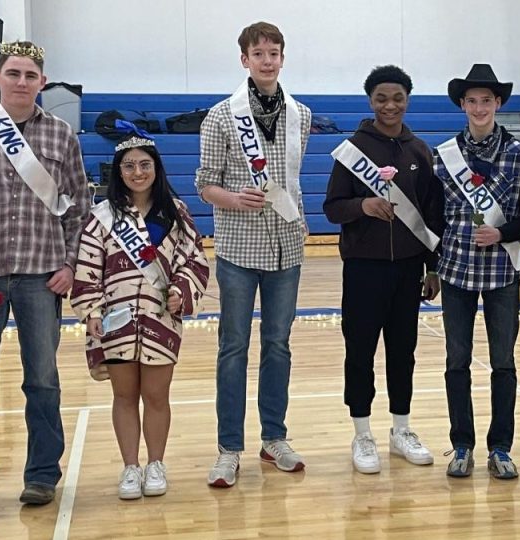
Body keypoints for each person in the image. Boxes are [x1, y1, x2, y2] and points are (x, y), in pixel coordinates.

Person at [0, 40, 90, 515]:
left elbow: (78, 207)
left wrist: (70, 263)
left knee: (43, 379)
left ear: (41, 81)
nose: (21, 82)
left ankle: (41, 475)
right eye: (13, 73)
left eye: (30, 75)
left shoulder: (60, 136)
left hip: (41, 277)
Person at [196, 21, 312, 486]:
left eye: (274, 52)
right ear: (244, 59)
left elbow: (294, 180)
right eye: (258, 53)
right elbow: (204, 184)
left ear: (283, 58)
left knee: (279, 346)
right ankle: (229, 448)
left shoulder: (301, 114)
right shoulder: (222, 116)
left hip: (288, 249)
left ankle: (273, 437)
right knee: (233, 347)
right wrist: (233, 197)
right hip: (239, 250)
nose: (267, 60)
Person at [70, 131, 209, 500]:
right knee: (124, 395)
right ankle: (130, 467)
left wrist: (180, 289)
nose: (137, 172)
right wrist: (92, 310)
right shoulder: (102, 216)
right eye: (129, 165)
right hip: (115, 321)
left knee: (157, 395)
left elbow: (195, 259)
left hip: (161, 318)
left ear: (156, 168)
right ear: (118, 170)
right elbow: (87, 267)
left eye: (144, 164)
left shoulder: (176, 213)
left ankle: (156, 464)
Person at [324, 65, 444, 474]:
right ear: (370, 101)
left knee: (403, 353)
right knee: (359, 352)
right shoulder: (352, 150)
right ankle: (361, 433)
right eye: (381, 98)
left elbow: (431, 215)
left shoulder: (420, 151)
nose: (390, 105)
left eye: (397, 98)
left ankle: (401, 429)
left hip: (409, 269)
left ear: (407, 100)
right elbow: (332, 207)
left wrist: (432, 268)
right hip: (363, 268)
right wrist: (363, 206)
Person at [433, 64, 520, 479]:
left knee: (503, 362)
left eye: (487, 100)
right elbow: (433, 215)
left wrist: (502, 233)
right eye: (472, 100)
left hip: (502, 273)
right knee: (456, 360)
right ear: (462, 104)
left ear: (499, 104)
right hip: (456, 270)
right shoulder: (443, 156)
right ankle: (462, 444)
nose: (479, 107)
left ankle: (501, 447)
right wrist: (430, 267)